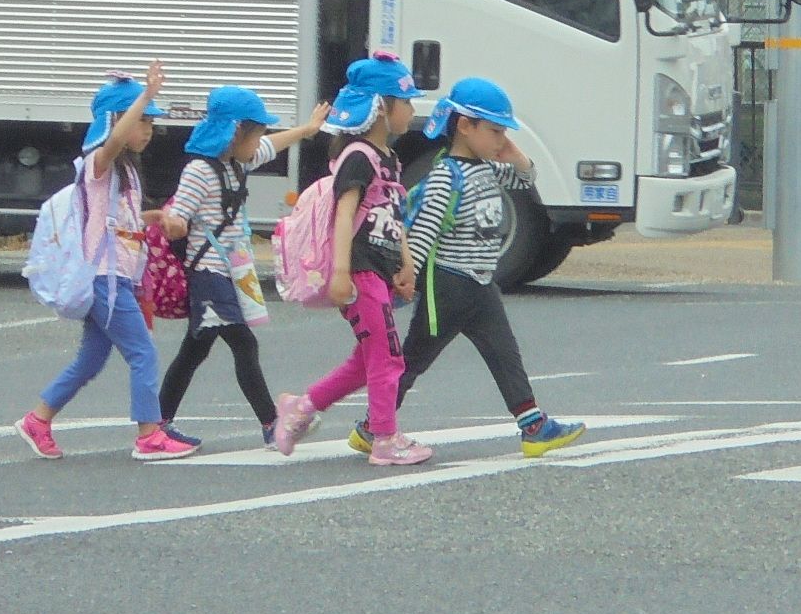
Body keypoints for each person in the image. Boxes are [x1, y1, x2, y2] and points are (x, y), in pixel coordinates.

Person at [347, 77, 587, 460]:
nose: (499, 139)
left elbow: (527, 178)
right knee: (413, 360)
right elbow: (423, 231)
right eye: (493, 130)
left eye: (503, 131)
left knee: (505, 354)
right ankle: (371, 427)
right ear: (464, 126)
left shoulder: (488, 169)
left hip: (480, 283)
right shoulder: (446, 176)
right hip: (448, 286)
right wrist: (408, 277)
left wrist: (511, 151)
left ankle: (533, 425)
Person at [269, 55, 431, 467]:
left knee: (368, 360)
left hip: (379, 270)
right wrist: (341, 273)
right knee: (387, 358)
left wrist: (406, 262)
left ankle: (301, 408)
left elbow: (393, 217)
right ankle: (385, 439)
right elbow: (344, 215)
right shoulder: (358, 157)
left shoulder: (387, 159)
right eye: (405, 101)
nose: (411, 110)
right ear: (380, 106)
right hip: (359, 274)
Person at [152, 84, 328, 456]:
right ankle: (270, 424)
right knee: (242, 343)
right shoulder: (199, 171)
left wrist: (307, 130)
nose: (261, 140)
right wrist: (172, 222)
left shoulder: (237, 162)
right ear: (236, 132)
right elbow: (178, 219)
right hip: (209, 273)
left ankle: (158, 421)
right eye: (257, 131)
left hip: (232, 271)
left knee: (194, 351)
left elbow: (272, 146)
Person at [15, 62, 177, 462]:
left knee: (91, 359)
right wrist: (145, 97)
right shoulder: (98, 164)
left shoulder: (127, 174)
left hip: (116, 277)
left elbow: (120, 221)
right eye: (142, 122)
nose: (147, 130)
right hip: (105, 278)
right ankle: (149, 434)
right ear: (117, 122)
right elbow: (114, 140)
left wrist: (151, 219)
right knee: (143, 352)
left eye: (150, 123)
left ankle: (39, 419)